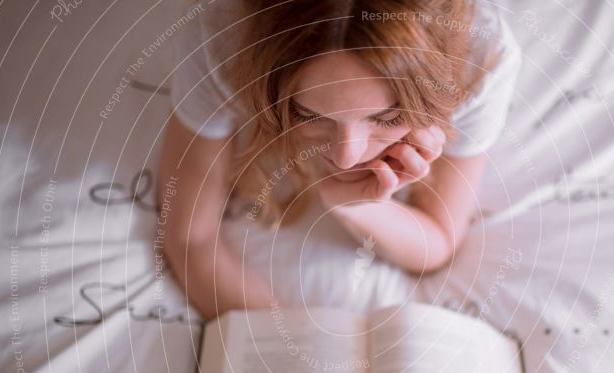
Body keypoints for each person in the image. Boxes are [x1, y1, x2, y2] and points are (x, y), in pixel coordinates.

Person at [157, 0, 521, 320]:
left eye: (388, 117)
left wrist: (356, 205)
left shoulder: (480, 56)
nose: (346, 157)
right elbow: (190, 236)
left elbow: (437, 242)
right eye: (307, 114)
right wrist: (275, 341)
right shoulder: (224, 40)